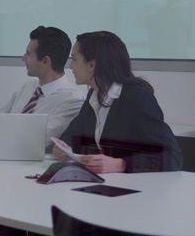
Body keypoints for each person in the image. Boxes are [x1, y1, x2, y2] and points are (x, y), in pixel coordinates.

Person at [52, 31, 183, 173]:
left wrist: (121, 164)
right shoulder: (94, 94)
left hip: (139, 189)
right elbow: (72, 135)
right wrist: (66, 148)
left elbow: (172, 157)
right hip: (107, 185)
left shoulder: (138, 98)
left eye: (75, 59)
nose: (71, 66)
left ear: (92, 65)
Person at [0, 26, 84, 152]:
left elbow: (34, 138)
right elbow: (0, 119)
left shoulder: (73, 99)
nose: (23, 58)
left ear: (45, 61)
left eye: (28, 54)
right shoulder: (29, 86)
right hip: (2, 154)